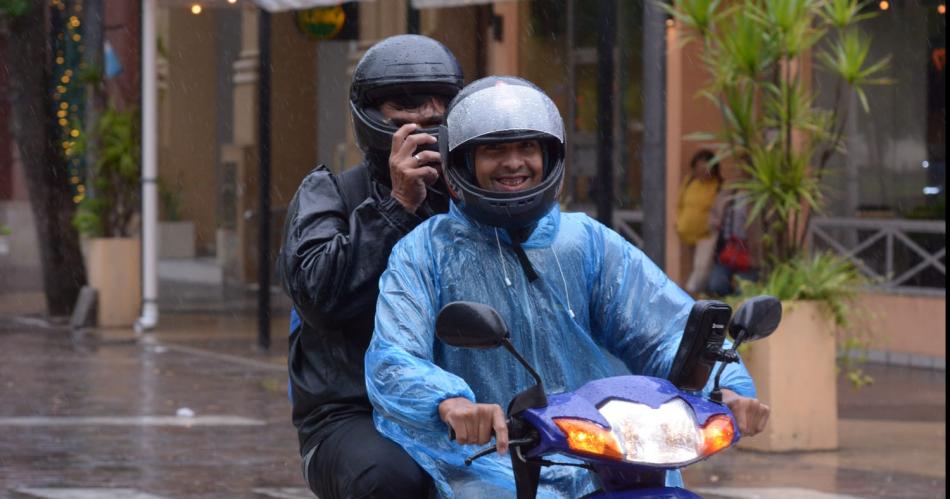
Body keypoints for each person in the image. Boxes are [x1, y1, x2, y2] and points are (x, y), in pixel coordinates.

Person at [364, 76, 770, 498]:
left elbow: (665, 327)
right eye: (494, 150)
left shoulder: (586, 241)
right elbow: (393, 356)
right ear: (462, 163)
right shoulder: (426, 250)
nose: (514, 162)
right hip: (489, 459)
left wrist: (726, 388)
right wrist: (450, 403)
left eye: (527, 147)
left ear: (549, 156)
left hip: (609, 454)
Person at [276, 34, 463, 499]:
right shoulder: (328, 195)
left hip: (468, 401)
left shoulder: (470, 197)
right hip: (351, 411)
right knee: (389, 478)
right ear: (371, 119)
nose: (421, 133)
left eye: (434, 121)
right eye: (403, 122)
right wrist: (396, 207)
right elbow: (323, 297)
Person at [675, 149, 723, 296]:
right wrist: (678, 223)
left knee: (701, 270)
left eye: (705, 168)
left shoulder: (718, 186)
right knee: (695, 269)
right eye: (698, 168)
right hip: (688, 235)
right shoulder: (690, 181)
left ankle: (690, 299)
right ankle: (697, 300)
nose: (701, 172)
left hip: (706, 236)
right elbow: (680, 204)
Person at [706, 182, 763, 297]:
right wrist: (716, 223)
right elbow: (713, 217)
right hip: (726, 251)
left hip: (749, 253)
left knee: (744, 290)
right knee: (717, 285)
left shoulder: (757, 197)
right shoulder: (727, 193)